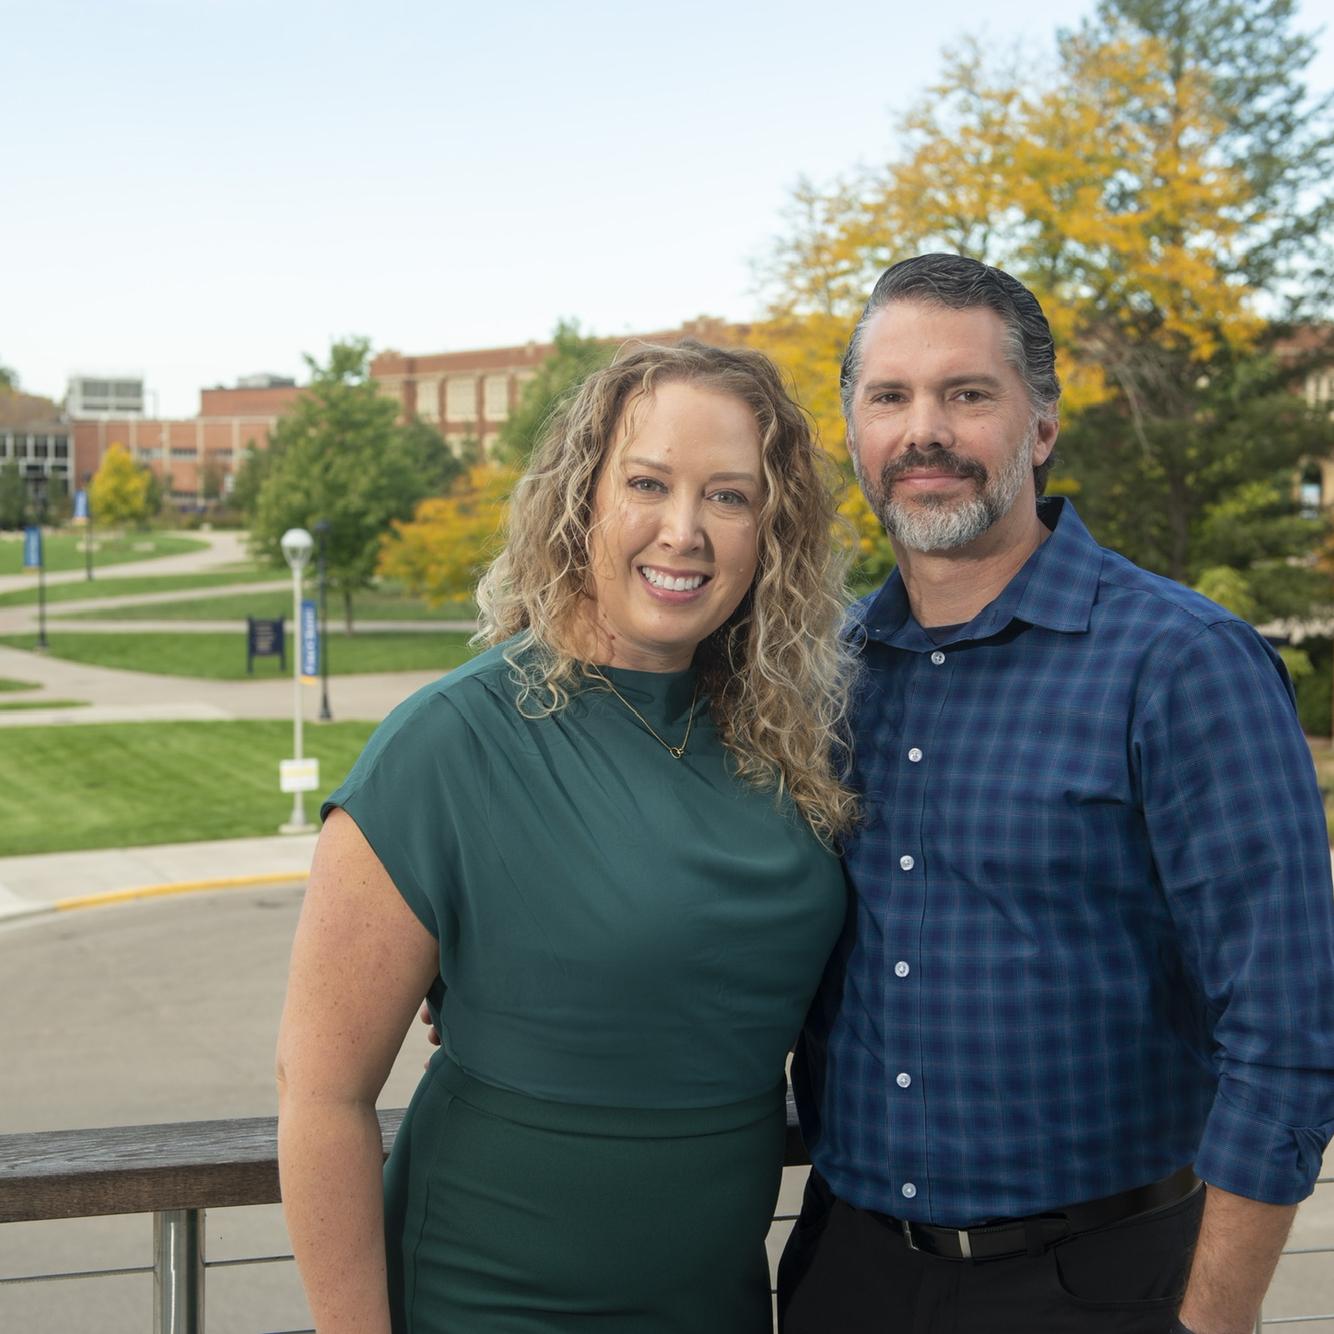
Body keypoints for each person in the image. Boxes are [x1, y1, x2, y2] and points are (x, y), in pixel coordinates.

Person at [777, 253, 1334, 1334]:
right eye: (887, 395)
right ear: (853, 429)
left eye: (965, 393)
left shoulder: (1180, 662)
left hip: (1102, 1280)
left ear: (1038, 426)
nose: (922, 429)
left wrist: (1212, 1318)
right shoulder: (820, 669)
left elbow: (1285, 1026)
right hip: (848, 1269)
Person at [275, 338, 861, 1334]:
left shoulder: (790, 736)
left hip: (714, 1299)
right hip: (489, 1296)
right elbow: (320, 1092)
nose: (684, 531)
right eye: (645, 482)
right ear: (577, 498)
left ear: (771, 530)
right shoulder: (450, 742)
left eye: (728, 495)